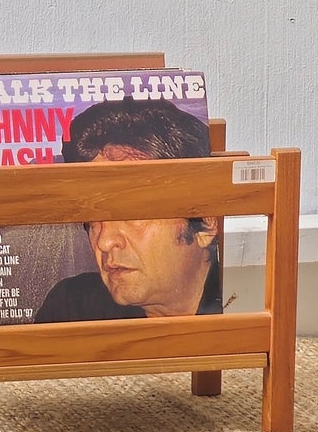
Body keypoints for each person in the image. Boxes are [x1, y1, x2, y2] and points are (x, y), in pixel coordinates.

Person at [33, 98, 220, 323]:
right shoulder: (73, 308)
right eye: (92, 218)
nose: (104, 242)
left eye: (131, 212)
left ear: (205, 224)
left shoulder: (247, 303)